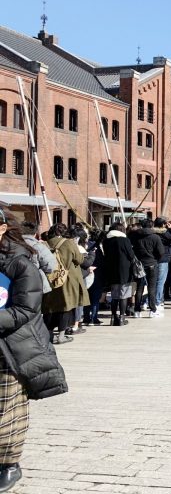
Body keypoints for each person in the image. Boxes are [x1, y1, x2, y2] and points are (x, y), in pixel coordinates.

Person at [0, 207, 68, 492]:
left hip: (12, 346)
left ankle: (9, 464)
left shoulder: (19, 260)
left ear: (2, 227)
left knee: (6, 408)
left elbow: (26, 309)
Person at [43, 223, 88, 344]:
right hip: (67, 279)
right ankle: (61, 336)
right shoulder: (69, 243)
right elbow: (80, 259)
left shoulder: (45, 243)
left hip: (49, 279)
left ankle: (49, 335)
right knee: (65, 307)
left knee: (49, 308)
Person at [103, 222, 137, 326]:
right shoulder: (124, 240)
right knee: (123, 295)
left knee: (114, 295)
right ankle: (122, 317)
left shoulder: (106, 240)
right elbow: (131, 255)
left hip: (111, 269)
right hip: (124, 270)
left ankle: (113, 317)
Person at [130, 219, 165, 317]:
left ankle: (137, 311)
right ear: (151, 226)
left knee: (139, 288)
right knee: (152, 287)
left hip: (139, 264)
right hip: (152, 264)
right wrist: (156, 259)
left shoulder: (135, 236)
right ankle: (152, 310)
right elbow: (161, 252)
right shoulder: (155, 237)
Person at [155, 217, 171, 310]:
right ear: (163, 225)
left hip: (152, 259)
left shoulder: (151, 232)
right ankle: (158, 301)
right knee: (160, 282)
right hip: (163, 259)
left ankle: (147, 301)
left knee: (151, 282)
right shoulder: (165, 233)